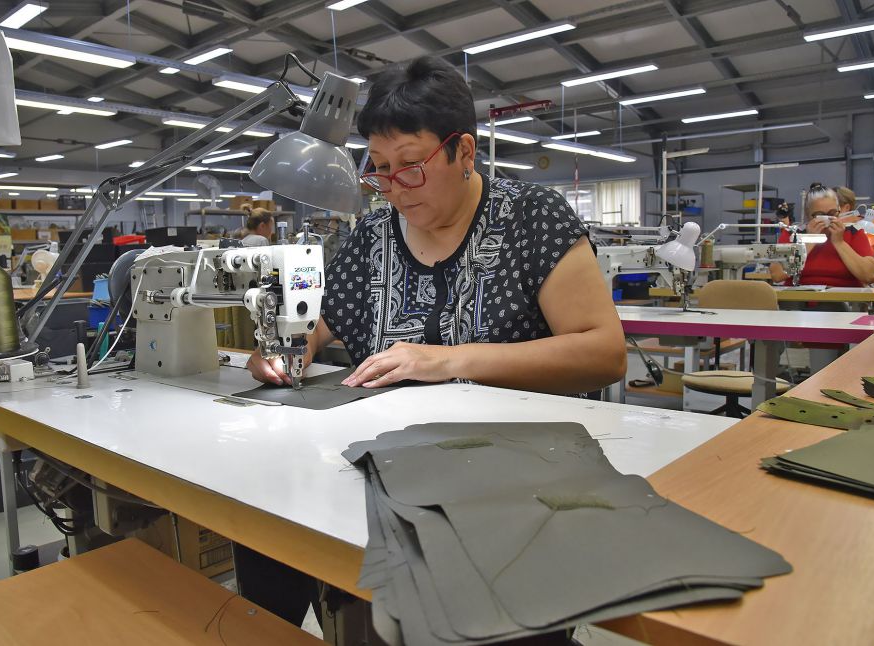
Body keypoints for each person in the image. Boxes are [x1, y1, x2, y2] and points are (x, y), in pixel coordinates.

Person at [238, 55, 627, 626]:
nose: (394, 187)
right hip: (390, 471)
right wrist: (285, 349)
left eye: (411, 166)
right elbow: (316, 323)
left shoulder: (533, 218)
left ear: (463, 152)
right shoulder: (374, 235)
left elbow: (604, 353)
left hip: (511, 487)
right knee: (264, 526)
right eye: (380, 169)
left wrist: (449, 360)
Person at [771, 183, 874, 286]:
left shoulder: (853, 233)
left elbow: (869, 276)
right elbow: (777, 274)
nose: (827, 219)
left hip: (844, 296)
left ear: (839, 211)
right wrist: (809, 241)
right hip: (800, 296)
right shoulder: (792, 234)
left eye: (832, 213)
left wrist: (839, 243)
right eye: (819, 215)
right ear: (808, 215)